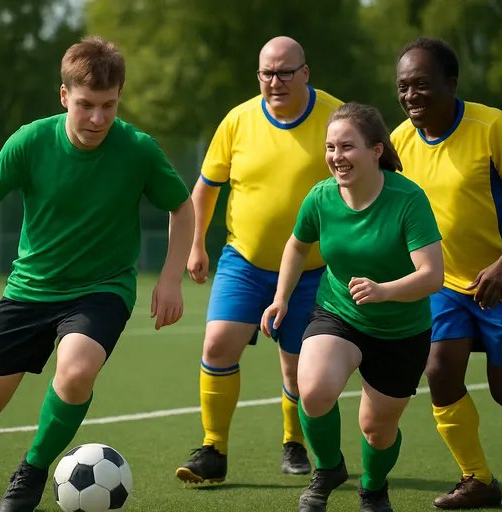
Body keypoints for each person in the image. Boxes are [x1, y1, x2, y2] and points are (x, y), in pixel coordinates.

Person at [0, 36, 195, 512]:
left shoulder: (138, 150)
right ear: (64, 95)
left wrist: (171, 277)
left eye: (109, 106)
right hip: (30, 289)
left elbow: (182, 207)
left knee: (77, 369)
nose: (98, 119)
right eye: (86, 105)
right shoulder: (30, 141)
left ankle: (32, 469)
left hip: (101, 289)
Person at [391, 37, 502, 510]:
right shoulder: (400, 142)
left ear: (451, 84)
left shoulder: (492, 127)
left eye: (422, 85)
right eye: (403, 86)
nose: (411, 95)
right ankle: (477, 480)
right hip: (447, 285)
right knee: (439, 371)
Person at [174, 36, 344, 484]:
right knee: (216, 346)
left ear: (306, 73)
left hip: (314, 269)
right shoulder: (238, 120)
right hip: (244, 262)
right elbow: (207, 187)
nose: (276, 81)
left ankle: (294, 442)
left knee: (297, 365)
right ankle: (213, 449)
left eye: (286, 72)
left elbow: (369, 181)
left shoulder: (336, 118)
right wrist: (196, 244)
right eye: (267, 73)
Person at [261, 102, 444, 512]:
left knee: (377, 430)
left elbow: (433, 276)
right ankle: (328, 469)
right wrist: (281, 297)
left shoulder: (407, 199)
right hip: (338, 312)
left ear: (376, 150)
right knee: (313, 389)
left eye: (347, 147)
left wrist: (384, 291)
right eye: (330, 147)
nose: (336, 157)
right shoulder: (321, 197)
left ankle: (374, 487)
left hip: (401, 328)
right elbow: (297, 244)